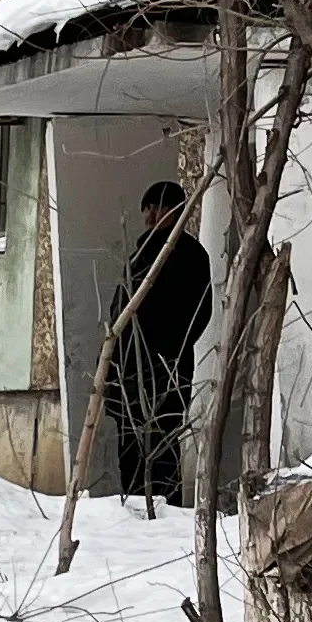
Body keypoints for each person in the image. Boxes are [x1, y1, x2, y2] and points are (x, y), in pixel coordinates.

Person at [104, 180, 213, 504]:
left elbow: (196, 315)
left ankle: (162, 516)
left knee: (161, 448)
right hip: (128, 372)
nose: (150, 215)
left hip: (164, 371)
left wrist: (163, 354)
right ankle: (136, 513)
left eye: (157, 207)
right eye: (147, 208)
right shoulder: (141, 253)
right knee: (131, 451)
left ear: (175, 210)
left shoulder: (190, 256)